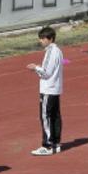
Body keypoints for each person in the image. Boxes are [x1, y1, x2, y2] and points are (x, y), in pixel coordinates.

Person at [28, 26, 64, 155]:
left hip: (48, 89)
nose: (41, 41)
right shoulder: (58, 51)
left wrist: (36, 68)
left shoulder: (51, 51)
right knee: (54, 116)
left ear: (50, 39)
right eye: (41, 38)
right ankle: (55, 143)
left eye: (43, 38)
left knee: (46, 116)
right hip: (55, 88)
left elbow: (46, 72)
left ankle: (48, 145)